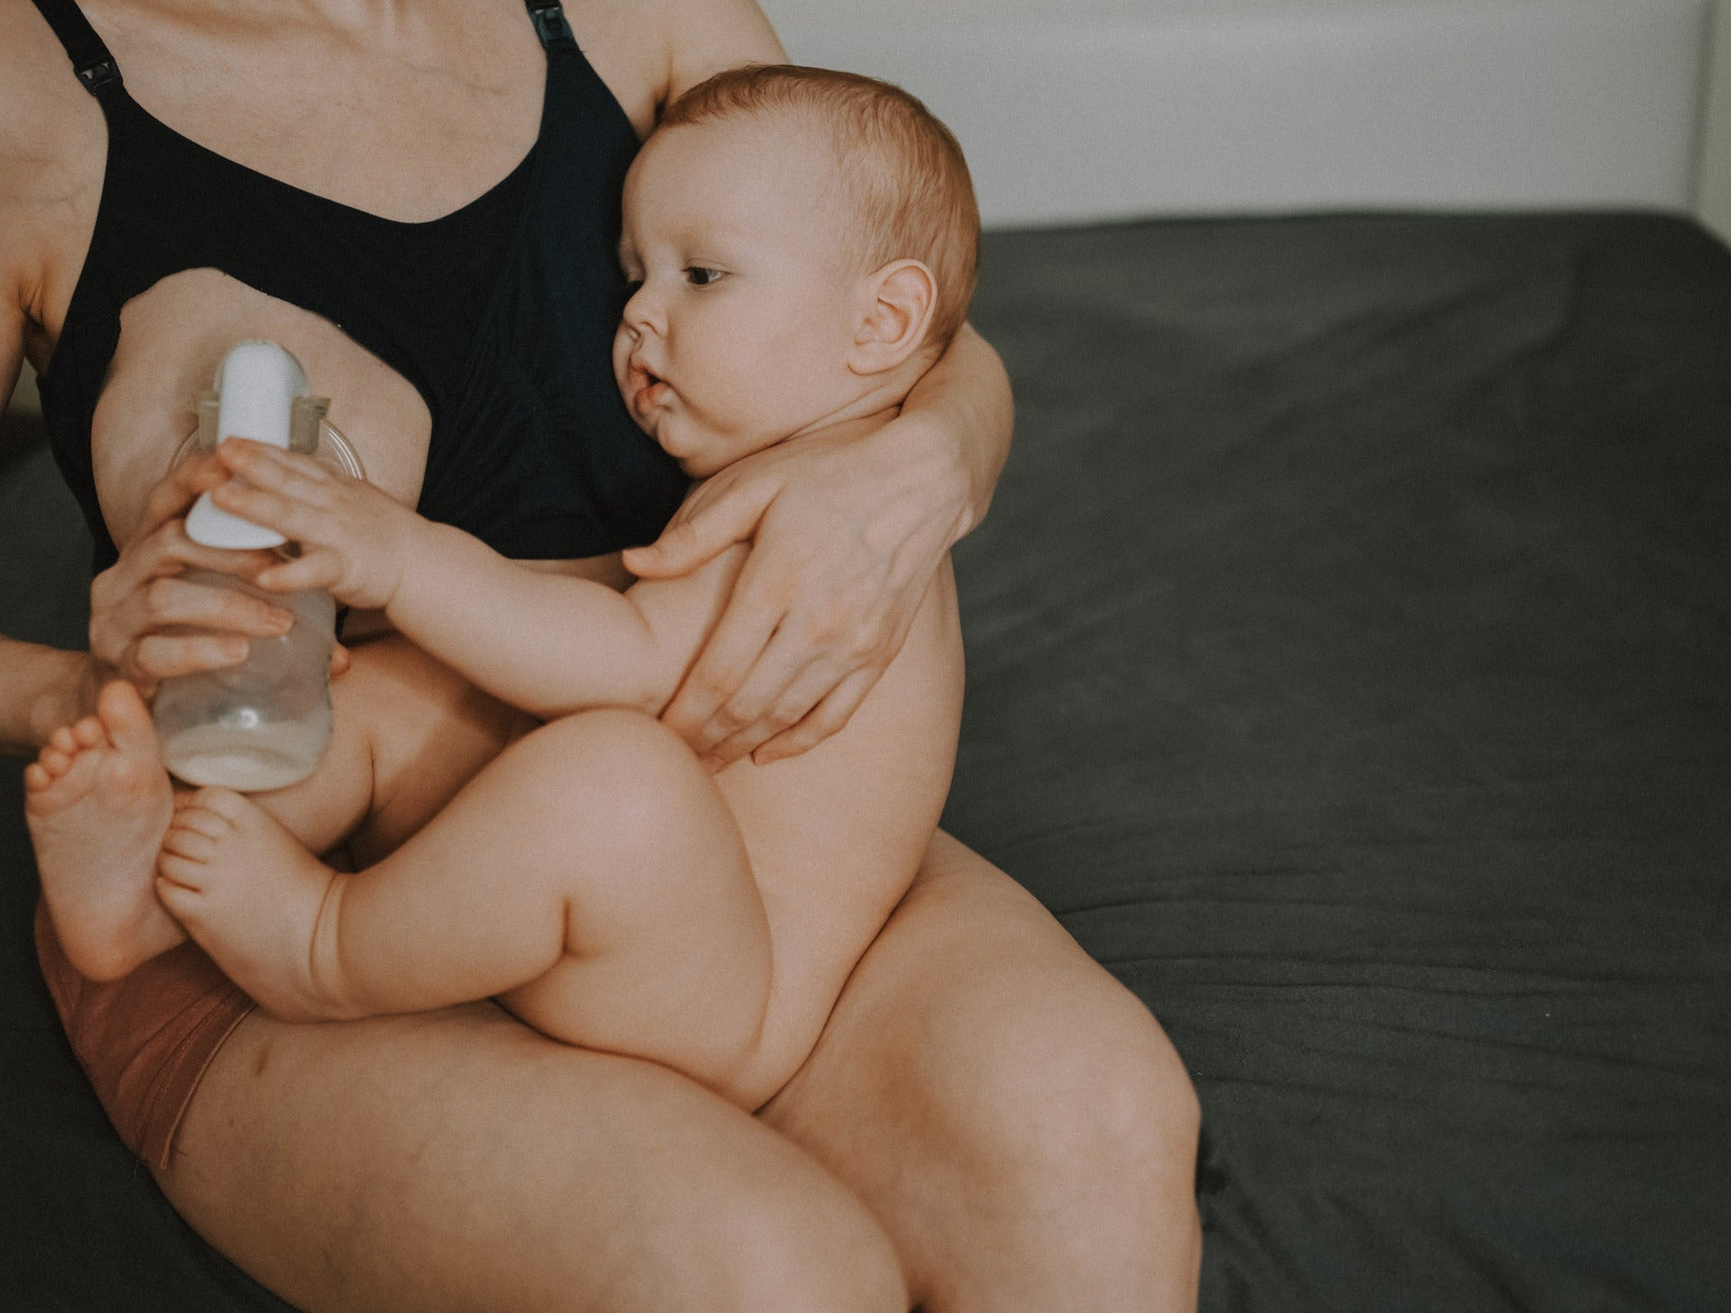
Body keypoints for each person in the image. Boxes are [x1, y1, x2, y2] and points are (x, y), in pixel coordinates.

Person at [1, 0, 1202, 1308]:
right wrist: (77, 689)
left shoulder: (642, 13)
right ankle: (213, 916)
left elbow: (890, 270)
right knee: (765, 1278)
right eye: (632, 276)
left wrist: (931, 461)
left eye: (680, 279)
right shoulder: (25, 88)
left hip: (701, 853)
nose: (637, 324)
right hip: (258, 846)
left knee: (1092, 1117)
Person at [31, 64, 977, 1116]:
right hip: (659, 901)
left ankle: (324, 946)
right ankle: (140, 896)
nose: (640, 317)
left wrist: (403, 558)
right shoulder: (792, 475)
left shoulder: (833, 522)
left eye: (701, 276)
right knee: (401, 688)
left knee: (614, 777)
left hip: (722, 993)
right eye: (634, 278)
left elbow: (619, 654)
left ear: (884, 320)